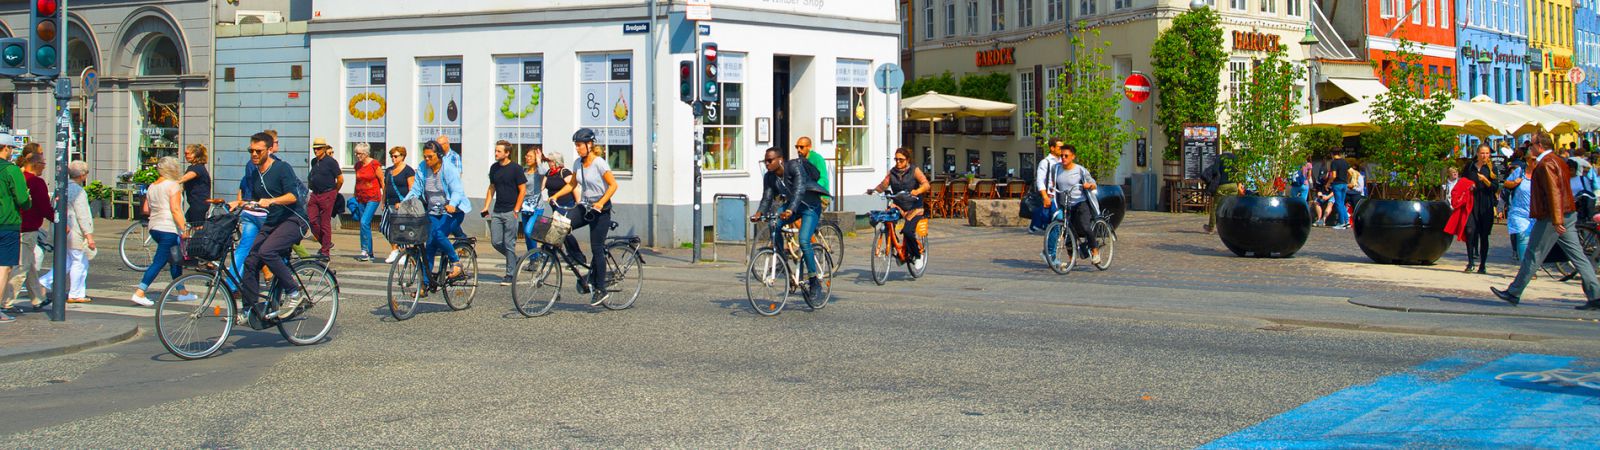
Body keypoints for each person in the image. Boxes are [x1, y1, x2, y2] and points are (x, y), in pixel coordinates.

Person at [1492, 132, 1600, 311]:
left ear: (1539, 145)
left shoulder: (1546, 164)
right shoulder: (1557, 160)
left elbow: (1554, 193)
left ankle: (1514, 292)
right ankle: (1595, 295)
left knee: (1533, 253)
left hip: (1552, 217)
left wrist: (1556, 220)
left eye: (1532, 144)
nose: (1529, 147)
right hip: (1567, 213)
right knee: (1578, 256)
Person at [235, 132, 310, 321]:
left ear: (269, 150)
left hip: (294, 220)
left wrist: (272, 201)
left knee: (267, 251)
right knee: (250, 261)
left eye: (258, 151)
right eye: (251, 150)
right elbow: (254, 199)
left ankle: (294, 293)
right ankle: (249, 310)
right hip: (273, 221)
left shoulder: (282, 168)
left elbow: (293, 196)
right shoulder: (254, 172)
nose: (253, 154)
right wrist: (237, 204)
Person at [752, 145, 828, 302]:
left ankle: (815, 281)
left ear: (780, 160)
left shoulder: (794, 167)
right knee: (774, 224)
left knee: (804, 240)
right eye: (765, 161)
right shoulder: (769, 177)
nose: (767, 164)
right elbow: (767, 197)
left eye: (770, 161)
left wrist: (791, 210)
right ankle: (780, 257)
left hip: (810, 206)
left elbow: (800, 190)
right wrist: (759, 213)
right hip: (792, 206)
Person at [401, 140, 469, 282]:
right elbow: (416, 189)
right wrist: (405, 203)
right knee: (430, 245)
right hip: (433, 211)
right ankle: (425, 285)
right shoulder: (422, 167)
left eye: (430, 157)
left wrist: (452, 204)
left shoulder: (448, 168)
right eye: (425, 156)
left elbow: (457, 190)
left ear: (439, 156)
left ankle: (456, 263)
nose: (427, 160)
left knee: (438, 234)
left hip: (453, 212)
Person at [130, 157, 194, 306]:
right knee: (159, 261)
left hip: (154, 227)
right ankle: (140, 291)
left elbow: (146, 209)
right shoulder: (173, 185)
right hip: (168, 228)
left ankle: (182, 291)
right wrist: (184, 228)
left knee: (175, 260)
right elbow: (176, 209)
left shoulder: (152, 186)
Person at [568, 128, 621, 306]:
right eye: (576, 145)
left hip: (601, 210)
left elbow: (613, 186)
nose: (577, 148)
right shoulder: (578, 163)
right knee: (563, 226)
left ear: (589, 145)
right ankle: (578, 258)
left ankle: (600, 289)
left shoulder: (599, 163)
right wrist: (552, 196)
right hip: (585, 207)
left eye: (579, 145)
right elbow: (572, 185)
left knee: (597, 248)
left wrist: (600, 202)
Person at [3, 145, 51, 312]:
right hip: (27, 228)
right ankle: (6, 302)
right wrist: (58, 220)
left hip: (16, 225)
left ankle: (38, 298)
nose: (44, 167)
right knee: (21, 267)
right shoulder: (36, 182)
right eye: (43, 163)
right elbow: (44, 207)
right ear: (35, 164)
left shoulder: (17, 176)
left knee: (28, 265)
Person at [39, 161, 94, 305]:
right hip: (75, 231)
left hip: (62, 229)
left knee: (66, 261)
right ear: (82, 175)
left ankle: (44, 282)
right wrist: (89, 235)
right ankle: (76, 293)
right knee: (79, 262)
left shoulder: (60, 187)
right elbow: (83, 215)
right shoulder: (79, 191)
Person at [866, 147, 930, 263]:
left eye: (901, 160)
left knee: (907, 231)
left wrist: (917, 191)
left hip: (914, 207)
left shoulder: (914, 170)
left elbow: (926, 184)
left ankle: (917, 256)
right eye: (896, 160)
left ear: (908, 160)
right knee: (887, 220)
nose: (898, 162)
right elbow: (883, 185)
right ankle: (895, 248)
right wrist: (874, 191)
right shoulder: (892, 172)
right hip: (898, 206)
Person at [1043, 144, 1102, 269]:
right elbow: (1052, 182)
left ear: (1072, 157)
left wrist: (1089, 185)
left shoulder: (1080, 170)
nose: (1063, 158)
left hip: (1080, 203)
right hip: (1065, 204)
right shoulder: (1056, 168)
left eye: (1066, 156)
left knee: (1085, 226)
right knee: (1066, 231)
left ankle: (1095, 251)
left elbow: (1093, 184)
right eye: (1061, 156)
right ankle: (1072, 259)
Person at [482, 140, 528, 286]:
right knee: (496, 242)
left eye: (499, 151)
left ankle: (510, 274)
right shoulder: (494, 168)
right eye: (495, 151)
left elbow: (522, 190)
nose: (496, 153)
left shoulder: (516, 169)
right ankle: (515, 259)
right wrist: (486, 206)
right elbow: (492, 188)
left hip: (510, 212)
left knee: (509, 243)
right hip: (497, 210)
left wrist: (516, 209)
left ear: (507, 153)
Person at [304, 137, 342, 260]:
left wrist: (334, 191)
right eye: (315, 149)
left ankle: (325, 251)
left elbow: (340, 179)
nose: (316, 151)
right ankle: (325, 243)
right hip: (315, 193)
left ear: (324, 149)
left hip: (328, 193)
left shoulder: (331, 162)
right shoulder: (314, 161)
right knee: (312, 219)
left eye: (319, 148)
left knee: (325, 222)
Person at [1464, 146, 1498, 273]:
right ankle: (1470, 262)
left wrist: (1485, 180)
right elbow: (1463, 181)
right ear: (1477, 153)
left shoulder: (1492, 168)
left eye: (1487, 153)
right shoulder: (1470, 167)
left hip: (1486, 204)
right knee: (1470, 230)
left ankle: (1482, 265)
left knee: (1484, 235)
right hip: (1471, 203)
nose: (1484, 156)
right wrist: (1469, 186)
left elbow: (1495, 187)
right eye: (1482, 153)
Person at [348, 143, 382, 261]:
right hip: (361, 197)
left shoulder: (374, 164)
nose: (357, 156)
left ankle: (365, 250)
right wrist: (354, 195)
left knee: (364, 222)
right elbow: (357, 181)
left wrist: (384, 199)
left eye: (359, 153)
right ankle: (370, 251)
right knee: (364, 225)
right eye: (356, 153)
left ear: (366, 153)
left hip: (373, 197)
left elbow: (382, 181)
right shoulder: (357, 165)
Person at [382, 146, 415, 264]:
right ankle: (395, 249)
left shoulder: (408, 170)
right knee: (384, 227)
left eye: (395, 156)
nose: (393, 158)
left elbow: (412, 189)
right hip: (389, 203)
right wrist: (383, 201)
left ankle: (403, 252)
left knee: (400, 229)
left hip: (402, 205)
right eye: (391, 156)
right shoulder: (389, 170)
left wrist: (403, 203)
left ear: (402, 156)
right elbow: (385, 187)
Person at [436, 135, 469, 239]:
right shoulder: (437, 157)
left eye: (440, 145)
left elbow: (457, 176)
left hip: (451, 193)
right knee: (446, 223)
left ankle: (462, 241)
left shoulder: (454, 157)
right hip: (439, 193)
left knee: (449, 222)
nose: (438, 147)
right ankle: (462, 240)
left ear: (447, 144)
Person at [1202, 151, 1244, 234]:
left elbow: (1215, 171)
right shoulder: (1235, 158)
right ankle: (1232, 227)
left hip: (1222, 185)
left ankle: (1211, 227)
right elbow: (1239, 171)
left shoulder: (1219, 158)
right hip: (1233, 185)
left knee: (1216, 206)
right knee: (1231, 207)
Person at [1504, 152, 1534, 263]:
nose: (1535, 162)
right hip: (1519, 211)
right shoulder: (1519, 172)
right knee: (1522, 237)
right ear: (1527, 160)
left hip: (1536, 212)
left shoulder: (1541, 173)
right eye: (1533, 159)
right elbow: (1506, 183)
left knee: (1534, 240)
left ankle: (1532, 264)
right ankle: (1524, 266)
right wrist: (1514, 183)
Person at [1030, 139, 1064, 234]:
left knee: (1061, 222)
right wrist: (1045, 197)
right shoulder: (1046, 162)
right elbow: (1040, 181)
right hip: (1051, 196)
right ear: (1052, 148)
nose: (1062, 149)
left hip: (1062, 196)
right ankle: (1052, 243)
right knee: (1058, 220)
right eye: (1060, 147)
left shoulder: (1063, 161)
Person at [519, 145, 548, 251]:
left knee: (528, 231)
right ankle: (533, 258)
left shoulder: (539, 171)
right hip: (525, 206)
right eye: (526, 156)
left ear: (536, 158)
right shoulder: (523, 171)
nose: (527, 158)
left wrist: (539, 161)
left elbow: (543, 173)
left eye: (530, 156)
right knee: (527, 236)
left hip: (536, 206)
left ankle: (539, 251)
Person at [178, 144, 211, 225]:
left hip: (199, 203)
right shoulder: (193, 167)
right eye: (185, 154)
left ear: (196, 155)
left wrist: (169, 183)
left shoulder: (198, 168)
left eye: (188, 154)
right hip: (194, 203)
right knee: (187, 224)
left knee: (197, 227)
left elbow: (184, 179)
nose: (186, 156)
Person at [795, 137, 831, 206]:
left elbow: (823, 178)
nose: (798, 150)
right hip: (806, 196)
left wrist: (812, 189)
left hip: (821, 197)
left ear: (809, 147)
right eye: (797, 147)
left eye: (801, 147)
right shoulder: (800, 160)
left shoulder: (817, 158)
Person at [1327, 149, 1352, 229]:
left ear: (1332, 154)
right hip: (1344, 184)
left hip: (1337, 184)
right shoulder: (1344, 162)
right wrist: (1346, 180)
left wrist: (1328, 183)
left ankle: (1341, 223)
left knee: (1338, 203)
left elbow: (1334, 175)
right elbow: (1351, 173)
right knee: (1342, 203)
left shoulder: (1334, 162)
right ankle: (1347, 222)